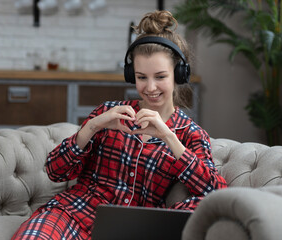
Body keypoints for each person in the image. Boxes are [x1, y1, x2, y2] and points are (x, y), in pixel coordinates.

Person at [12, 10, 227, 240]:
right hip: (73, 213)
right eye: (142, 77)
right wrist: (92, 126)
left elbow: (214, 194)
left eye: (160, 77)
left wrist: (169, 137)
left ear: (179, 75)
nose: (150, 87)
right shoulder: (109, 113)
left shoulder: (190, 134)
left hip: (134, 229)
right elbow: (55, 171)